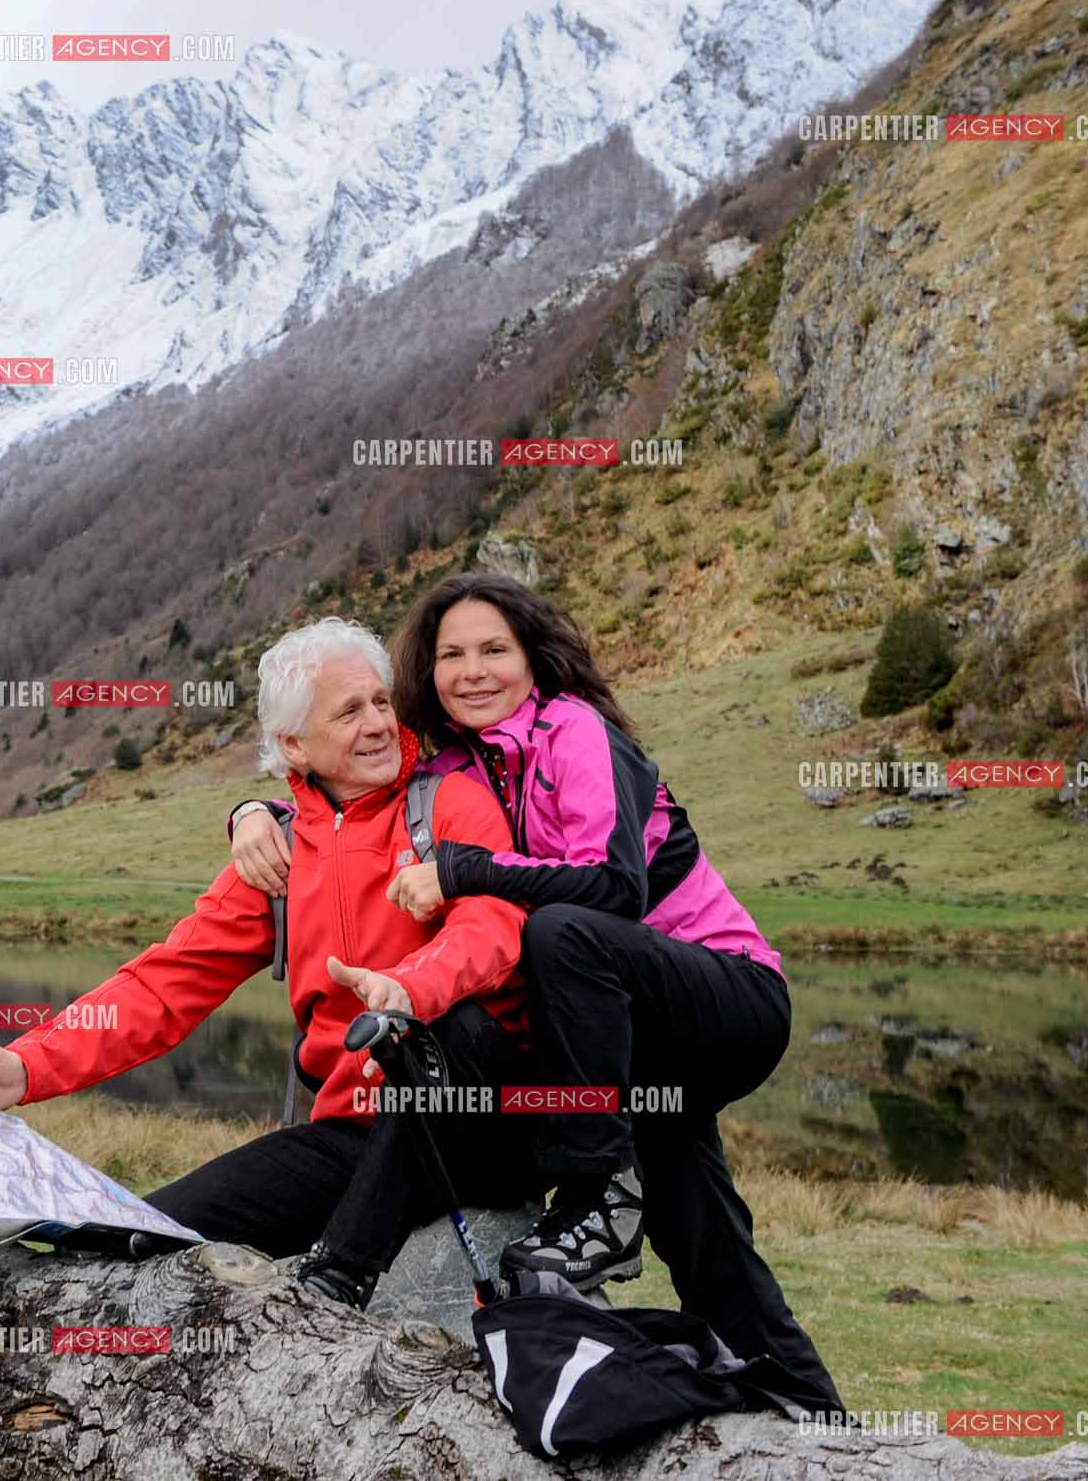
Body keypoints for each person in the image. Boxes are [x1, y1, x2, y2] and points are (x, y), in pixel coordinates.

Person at [228, 574, 844, 1411]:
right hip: (630, 1036)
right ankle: (817, 1424)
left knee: (558, 932)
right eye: (451, 655)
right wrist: (256, 809)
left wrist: (465, 869)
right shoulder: (457, 760)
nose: (473, 671)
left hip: (724, 1000)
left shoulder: (577, 732)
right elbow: (362, 782)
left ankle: (595, 1196)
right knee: (705, 1237)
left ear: (533, 660)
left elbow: (614, 889)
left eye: (495, 650)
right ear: (429, 672)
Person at [0, 618, 536, 1308]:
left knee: (432, 1042)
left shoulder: (450, 805)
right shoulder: (276, 855)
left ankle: (338, 1277)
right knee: (136, 1235)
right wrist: (28, 1065)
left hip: (471, 1118)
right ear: (293, 745)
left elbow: (496, 923)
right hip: (348, 1137)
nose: (377, 724)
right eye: (348, 712)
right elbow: (162, 986)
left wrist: (411, 987)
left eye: (380, 701)